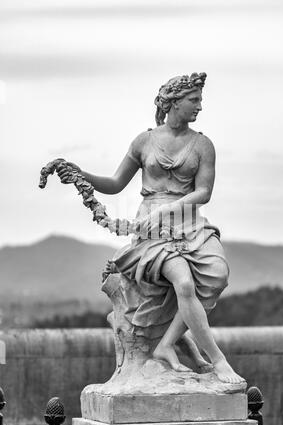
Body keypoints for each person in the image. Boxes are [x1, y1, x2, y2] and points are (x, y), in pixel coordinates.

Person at [58, 73, 245, 384]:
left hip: (188, 223)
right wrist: (83, 175)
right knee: (183, 284)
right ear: (173, 102)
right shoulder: (144, 141)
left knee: (216, 276)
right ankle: (218, 360)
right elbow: (116, 184)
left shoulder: (202, 145)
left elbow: (204, 192)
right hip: (152, 229)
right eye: (194, 100)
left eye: (200, 100)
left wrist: (171, 208)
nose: (200, 106)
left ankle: (168, 344)